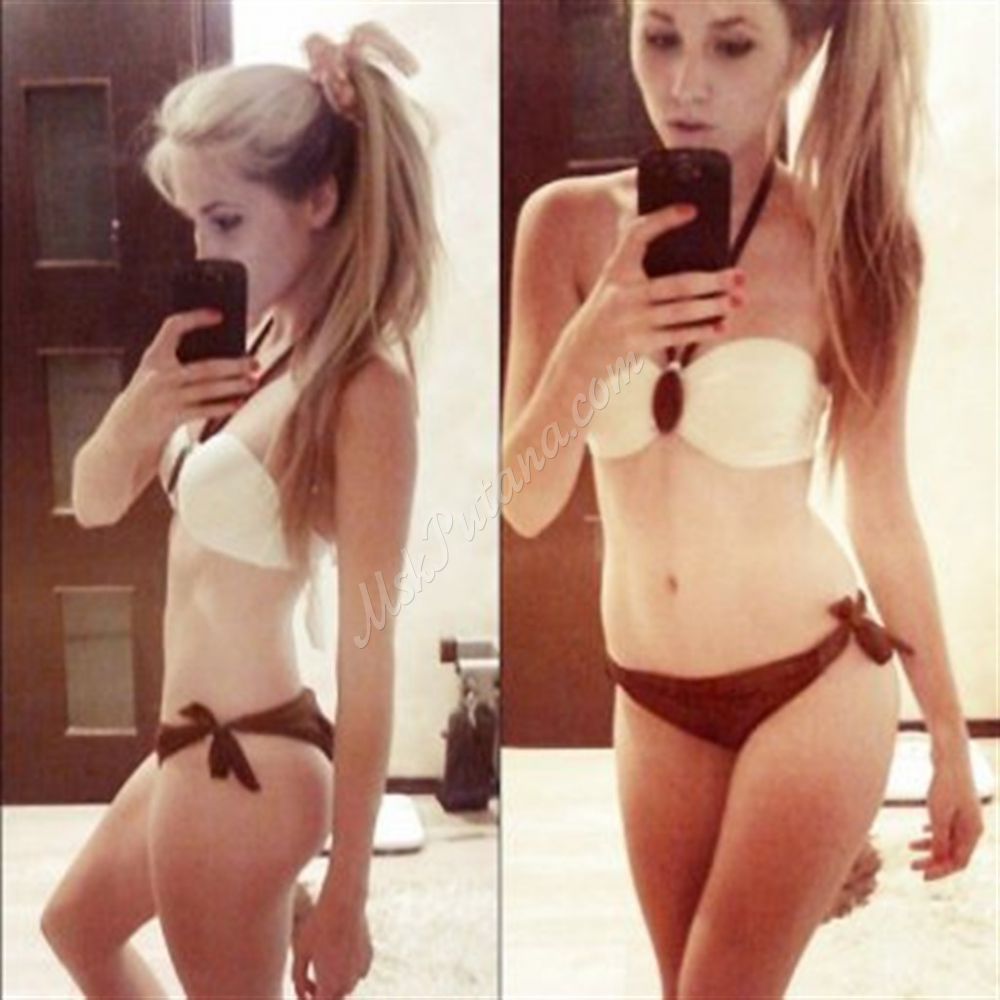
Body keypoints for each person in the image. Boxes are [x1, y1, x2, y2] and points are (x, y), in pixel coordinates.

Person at [501, 1, 984, 996]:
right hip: (653, 698)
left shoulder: (855, 242)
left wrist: (948, 738)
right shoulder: (562, 227)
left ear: (799, 51)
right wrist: (592, 344)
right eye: (660, 36)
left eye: (731, 44)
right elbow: (525, 502)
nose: (686, 82)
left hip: (813, 680)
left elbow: (882, 508)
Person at [40, 22, 436, 1000]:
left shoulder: (362, 385)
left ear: (319, 199)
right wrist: (140, 411)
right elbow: (94, 503)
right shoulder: (249, 343)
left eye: (225, 221)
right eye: (193, 225)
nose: (204, 251)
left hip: (242, 763)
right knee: (76, 927)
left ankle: (271, 889)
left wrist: (349, 890)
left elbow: (370, 650)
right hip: (194, 749)